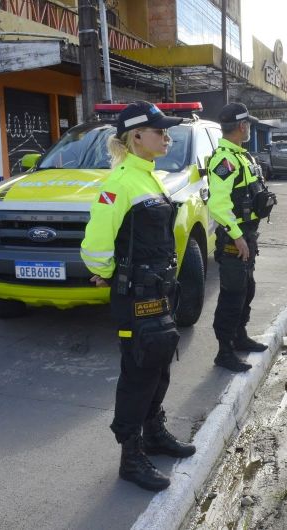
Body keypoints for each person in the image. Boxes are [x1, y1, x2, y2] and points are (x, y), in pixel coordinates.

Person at [80, 101, 195, 492]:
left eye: (167, 131)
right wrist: (105, 273)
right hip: (136, 295)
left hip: (160, 289)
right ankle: (131, 457)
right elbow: (96, 240)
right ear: (136, 137)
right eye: (160, 131)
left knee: (159, 363)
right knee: (138, 371)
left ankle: (154, 434)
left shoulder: (151, 177)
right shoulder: (120, 182)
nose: (166, 136)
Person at [207, 102, 277, 372]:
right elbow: (217, 204)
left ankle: (240, 337)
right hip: (234, 240)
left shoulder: (242, 156)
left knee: (246, 290)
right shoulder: (224, 160)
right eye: (247, 123)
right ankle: (224, 352)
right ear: (241, 126)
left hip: (248, 236)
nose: (248, 127)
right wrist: (236, 236)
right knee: (232, 295)